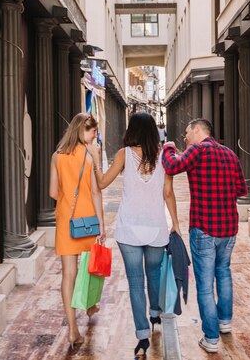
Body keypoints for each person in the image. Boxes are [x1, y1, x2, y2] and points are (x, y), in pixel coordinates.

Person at [87, 112, 180, 357]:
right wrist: (176, 225)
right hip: (156, 228)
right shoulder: (163, 158)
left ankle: (142, 336)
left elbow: (103, 182)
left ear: (132, 130)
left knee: (136, 284)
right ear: (153, 132)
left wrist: (96, 160)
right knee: (154, 275)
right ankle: (155, 313)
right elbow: (168, 193)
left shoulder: (123, 155)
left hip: (129, 229)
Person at [162, 118, 246, 354]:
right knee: (224, 273)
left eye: (187, 133)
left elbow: (171, 166)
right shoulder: (230, 154)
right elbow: (240, 189)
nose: (185, 138)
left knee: (206, 285)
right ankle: (224, 322)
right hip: (228, 228)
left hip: (205, 229)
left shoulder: (197, 151)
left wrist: (167, 146)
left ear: (198, 130)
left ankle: (211, 338)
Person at [49, 113, 106, 349]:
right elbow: (95, 191)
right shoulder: (89, 154)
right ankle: (91, 305)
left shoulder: (57, 156)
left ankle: (73, 329)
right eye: (93, 132)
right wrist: (102, 224)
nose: (95, 136)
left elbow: (53, 193)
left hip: (66, 220)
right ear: (84, 131)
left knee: (68, 274)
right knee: (91, 267)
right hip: (88, 219)